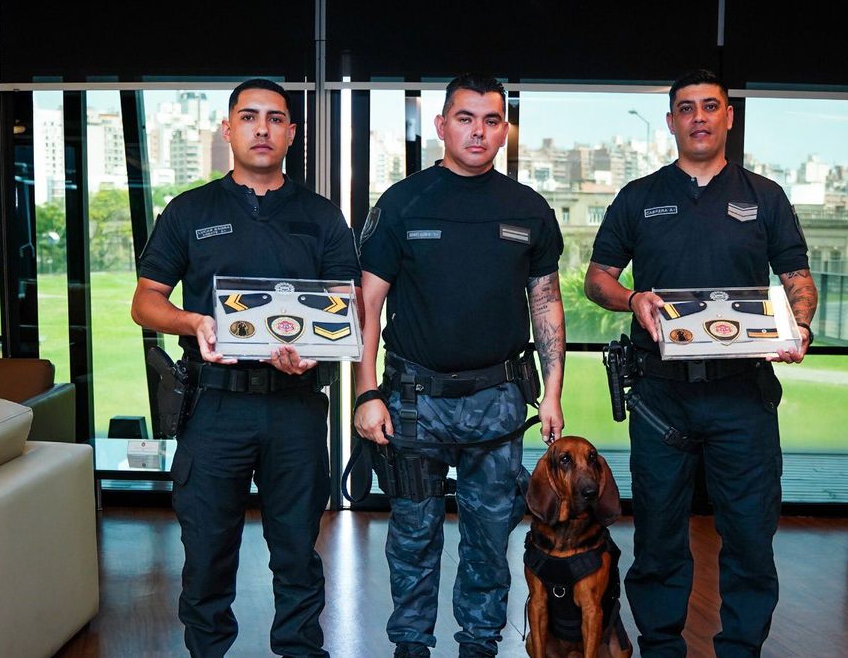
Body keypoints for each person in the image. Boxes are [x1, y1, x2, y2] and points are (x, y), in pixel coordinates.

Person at [584, 68, 818, 657]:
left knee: (750, 540)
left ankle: (741, 648)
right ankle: (662, 648)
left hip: (743, 396)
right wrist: (632, 299)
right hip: (661, 397)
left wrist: (800, 326)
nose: (699, 118)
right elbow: (596, 279)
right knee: (659, 540)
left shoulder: (764, 197)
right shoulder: (639, 197)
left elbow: (797, 278)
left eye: (710, 106)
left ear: (728, 117)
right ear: (671, 122)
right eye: (686, 108)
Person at [131, 78, 360, 658]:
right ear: (227, 128)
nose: (262, 128)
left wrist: (317, 348)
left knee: (298, 553)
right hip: (214, 407)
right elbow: (146, 301)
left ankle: (300, 649)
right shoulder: (190, 211)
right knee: (207, 553)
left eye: (275, 118)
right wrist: (194, 322)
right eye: (249, 117)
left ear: (291, 132)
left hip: (295, 406)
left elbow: (345, 308)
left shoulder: (321, 216)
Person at [353, 73, 566, 658]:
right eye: (465, 119)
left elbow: (546, 302)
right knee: (413, 535)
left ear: (504, 130)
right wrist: (366, 393)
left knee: (489, 536)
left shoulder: (528, 209)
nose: (478, 131)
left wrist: (551, 392)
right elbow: (367, 305)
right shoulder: (403, 203)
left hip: (498, 399)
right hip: (414, 400)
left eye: (491, 120)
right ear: (442, 126)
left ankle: (479, 643)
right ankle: (411, 645)